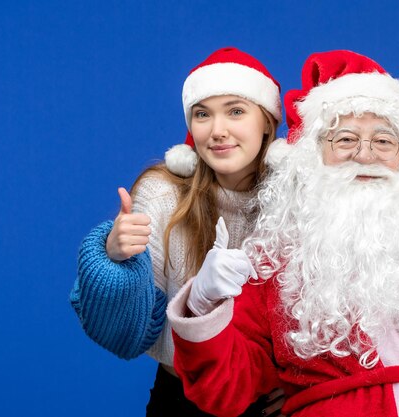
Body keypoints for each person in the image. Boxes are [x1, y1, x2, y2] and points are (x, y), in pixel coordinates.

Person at [166, 50, 399, 417]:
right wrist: (203, 304)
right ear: (314, 153)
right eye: (345, 139)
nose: (365, 155)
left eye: (383, 140)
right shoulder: (281, 251)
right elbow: (226, 390)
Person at [70, 47, 284, 416]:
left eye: (235, 111)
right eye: (203, 114)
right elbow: (126, 336)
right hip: (181, 400)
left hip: (272, 406)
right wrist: (113, 259)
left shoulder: (300, 203)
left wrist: (302, 383)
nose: (218, 131)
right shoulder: (164, 196)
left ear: (266, 121)